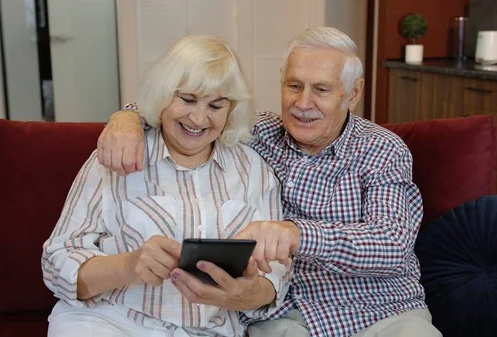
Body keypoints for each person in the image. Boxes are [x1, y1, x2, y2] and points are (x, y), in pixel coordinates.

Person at [97, 27, 443, 337]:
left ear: (352, 94)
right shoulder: (258, 132)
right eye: (294, 86)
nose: (302, 104)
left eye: (321, 89)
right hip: (286, 315)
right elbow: (187, 107)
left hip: (380, 312)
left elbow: (393, 243)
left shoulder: (382, 149)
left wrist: (296, 233)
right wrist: (125, 117)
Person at [41, 35, 290, 337]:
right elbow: (57, 264)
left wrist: (245, 293)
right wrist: (128, 266)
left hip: (208, 331)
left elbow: (277, 275)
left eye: (216, 105)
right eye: (187, 99)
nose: (199, 118)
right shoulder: (119, 154)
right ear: (163, 95)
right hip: (111, 322)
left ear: (230, 109)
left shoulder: (254, 171)